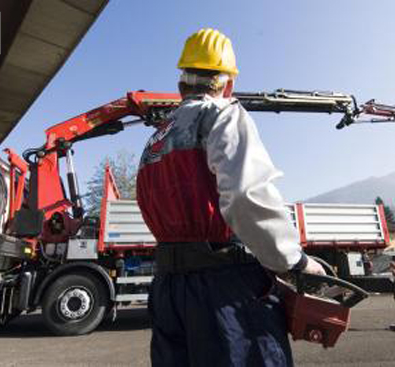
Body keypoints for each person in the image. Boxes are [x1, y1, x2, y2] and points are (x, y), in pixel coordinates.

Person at [136, 28, 325, 367]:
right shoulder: (223, 113)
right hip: (225, 290)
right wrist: (293, 261)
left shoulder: (155, 139)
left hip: (168, 290)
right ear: (227, 85)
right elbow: (244, 196)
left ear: (181, 86)